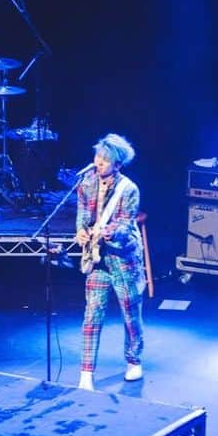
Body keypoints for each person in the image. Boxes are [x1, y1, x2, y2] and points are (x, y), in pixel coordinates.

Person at [75, 133, 145, 390]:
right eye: (98, 157)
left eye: (105, 159)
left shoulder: (129, 189)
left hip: (123, 258)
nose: (99, 162)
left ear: (117, 163)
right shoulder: (85, 183)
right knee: (92, 313)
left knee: (130, 312)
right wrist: (81, 232)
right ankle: (86, 372)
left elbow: (127, 224)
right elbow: (82, 215)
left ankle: (134, 360)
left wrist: (111, 232)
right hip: (97, 259)